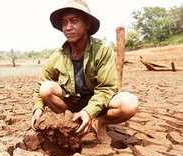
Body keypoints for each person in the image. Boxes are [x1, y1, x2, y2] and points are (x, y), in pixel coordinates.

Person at [31, 0, 139, 143]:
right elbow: (41, 85)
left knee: (129, 103)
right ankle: (72, 122)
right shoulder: (58, 55)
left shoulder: (102, 50)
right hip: (73, 103)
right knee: (46, 89)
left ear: (87, 24)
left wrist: (89, 111)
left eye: (74, 21)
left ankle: (99, 123)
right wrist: (38, 108)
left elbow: (107, 89)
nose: (68, 27)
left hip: (99, 103)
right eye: (64, 23)